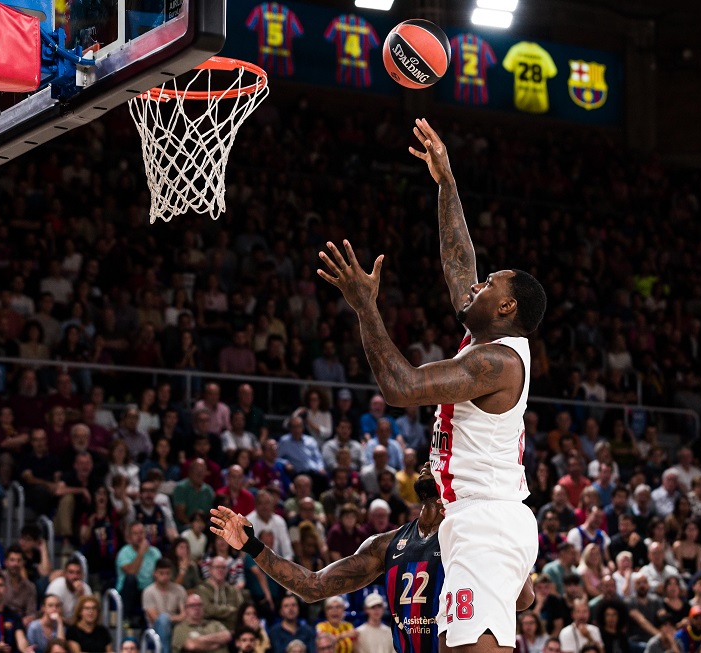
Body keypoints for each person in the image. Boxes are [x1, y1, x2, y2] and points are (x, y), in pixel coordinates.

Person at [316, 118, 546, 653]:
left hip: (484, 522)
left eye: (490, 286)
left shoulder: (497, 363)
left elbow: (400, 386)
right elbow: (459, 265)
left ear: (507, 307)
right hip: (479, 519)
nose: (477, 285)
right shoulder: (489, 344)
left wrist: (366, 309)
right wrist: (447, 183)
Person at [211, 464, 535, 653]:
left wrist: (505, 549)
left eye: (436, 461)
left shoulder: (471, 541)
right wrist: (252, 546)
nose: (426, 464)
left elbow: (522, 599)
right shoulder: (385, 544)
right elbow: (312, 586)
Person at [142, 558, 187, 650]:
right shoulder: (148, 592)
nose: (165, 576)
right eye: (161, 573)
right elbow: (155, 618)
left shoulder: (179, 590)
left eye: (168, 573)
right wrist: (174, 617)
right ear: (155, 573)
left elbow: (184, 615)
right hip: (155, 629)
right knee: (163, 620)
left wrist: (172, 618)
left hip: (176, 626)